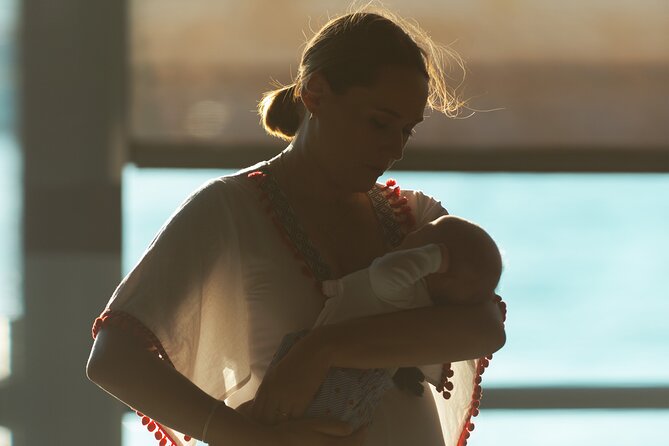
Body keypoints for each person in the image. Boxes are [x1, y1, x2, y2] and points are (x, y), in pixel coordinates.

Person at [86, 6, 506, 446]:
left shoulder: (416, 218)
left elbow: (485, 328)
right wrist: (248, 438)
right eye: (379, 122)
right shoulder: (230, 209)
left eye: (406, 130)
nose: (394, 148)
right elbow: (114, 359)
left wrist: (319, 351)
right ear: (315, 94)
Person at [263, 215, 504, 430]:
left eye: (424, 235)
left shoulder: (398, 289)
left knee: (277, 418)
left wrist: (434, 257)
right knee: (327, 428)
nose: (412, 233)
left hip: (325, 378)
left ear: (434, 265)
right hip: (356, 391)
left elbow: (384, 270)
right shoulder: (421, 312)